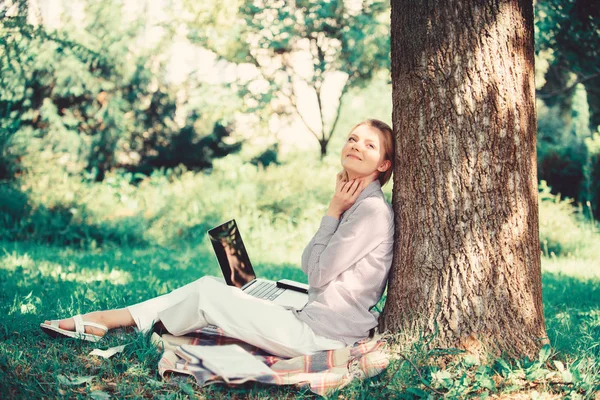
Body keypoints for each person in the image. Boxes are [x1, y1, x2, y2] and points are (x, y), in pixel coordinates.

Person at [41, 119, 396, 358]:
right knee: (212, 283)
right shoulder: (356, 203)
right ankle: (113, 320)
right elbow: (310, 266)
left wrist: (332, 210)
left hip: (323, 338)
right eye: (352, 138)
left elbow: (316, 275)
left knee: (209, 294)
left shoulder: (369, 210)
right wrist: (336, 209)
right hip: (312, 320)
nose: (356, 146)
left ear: (383, 164)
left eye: (369, 144)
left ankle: (133, 328)